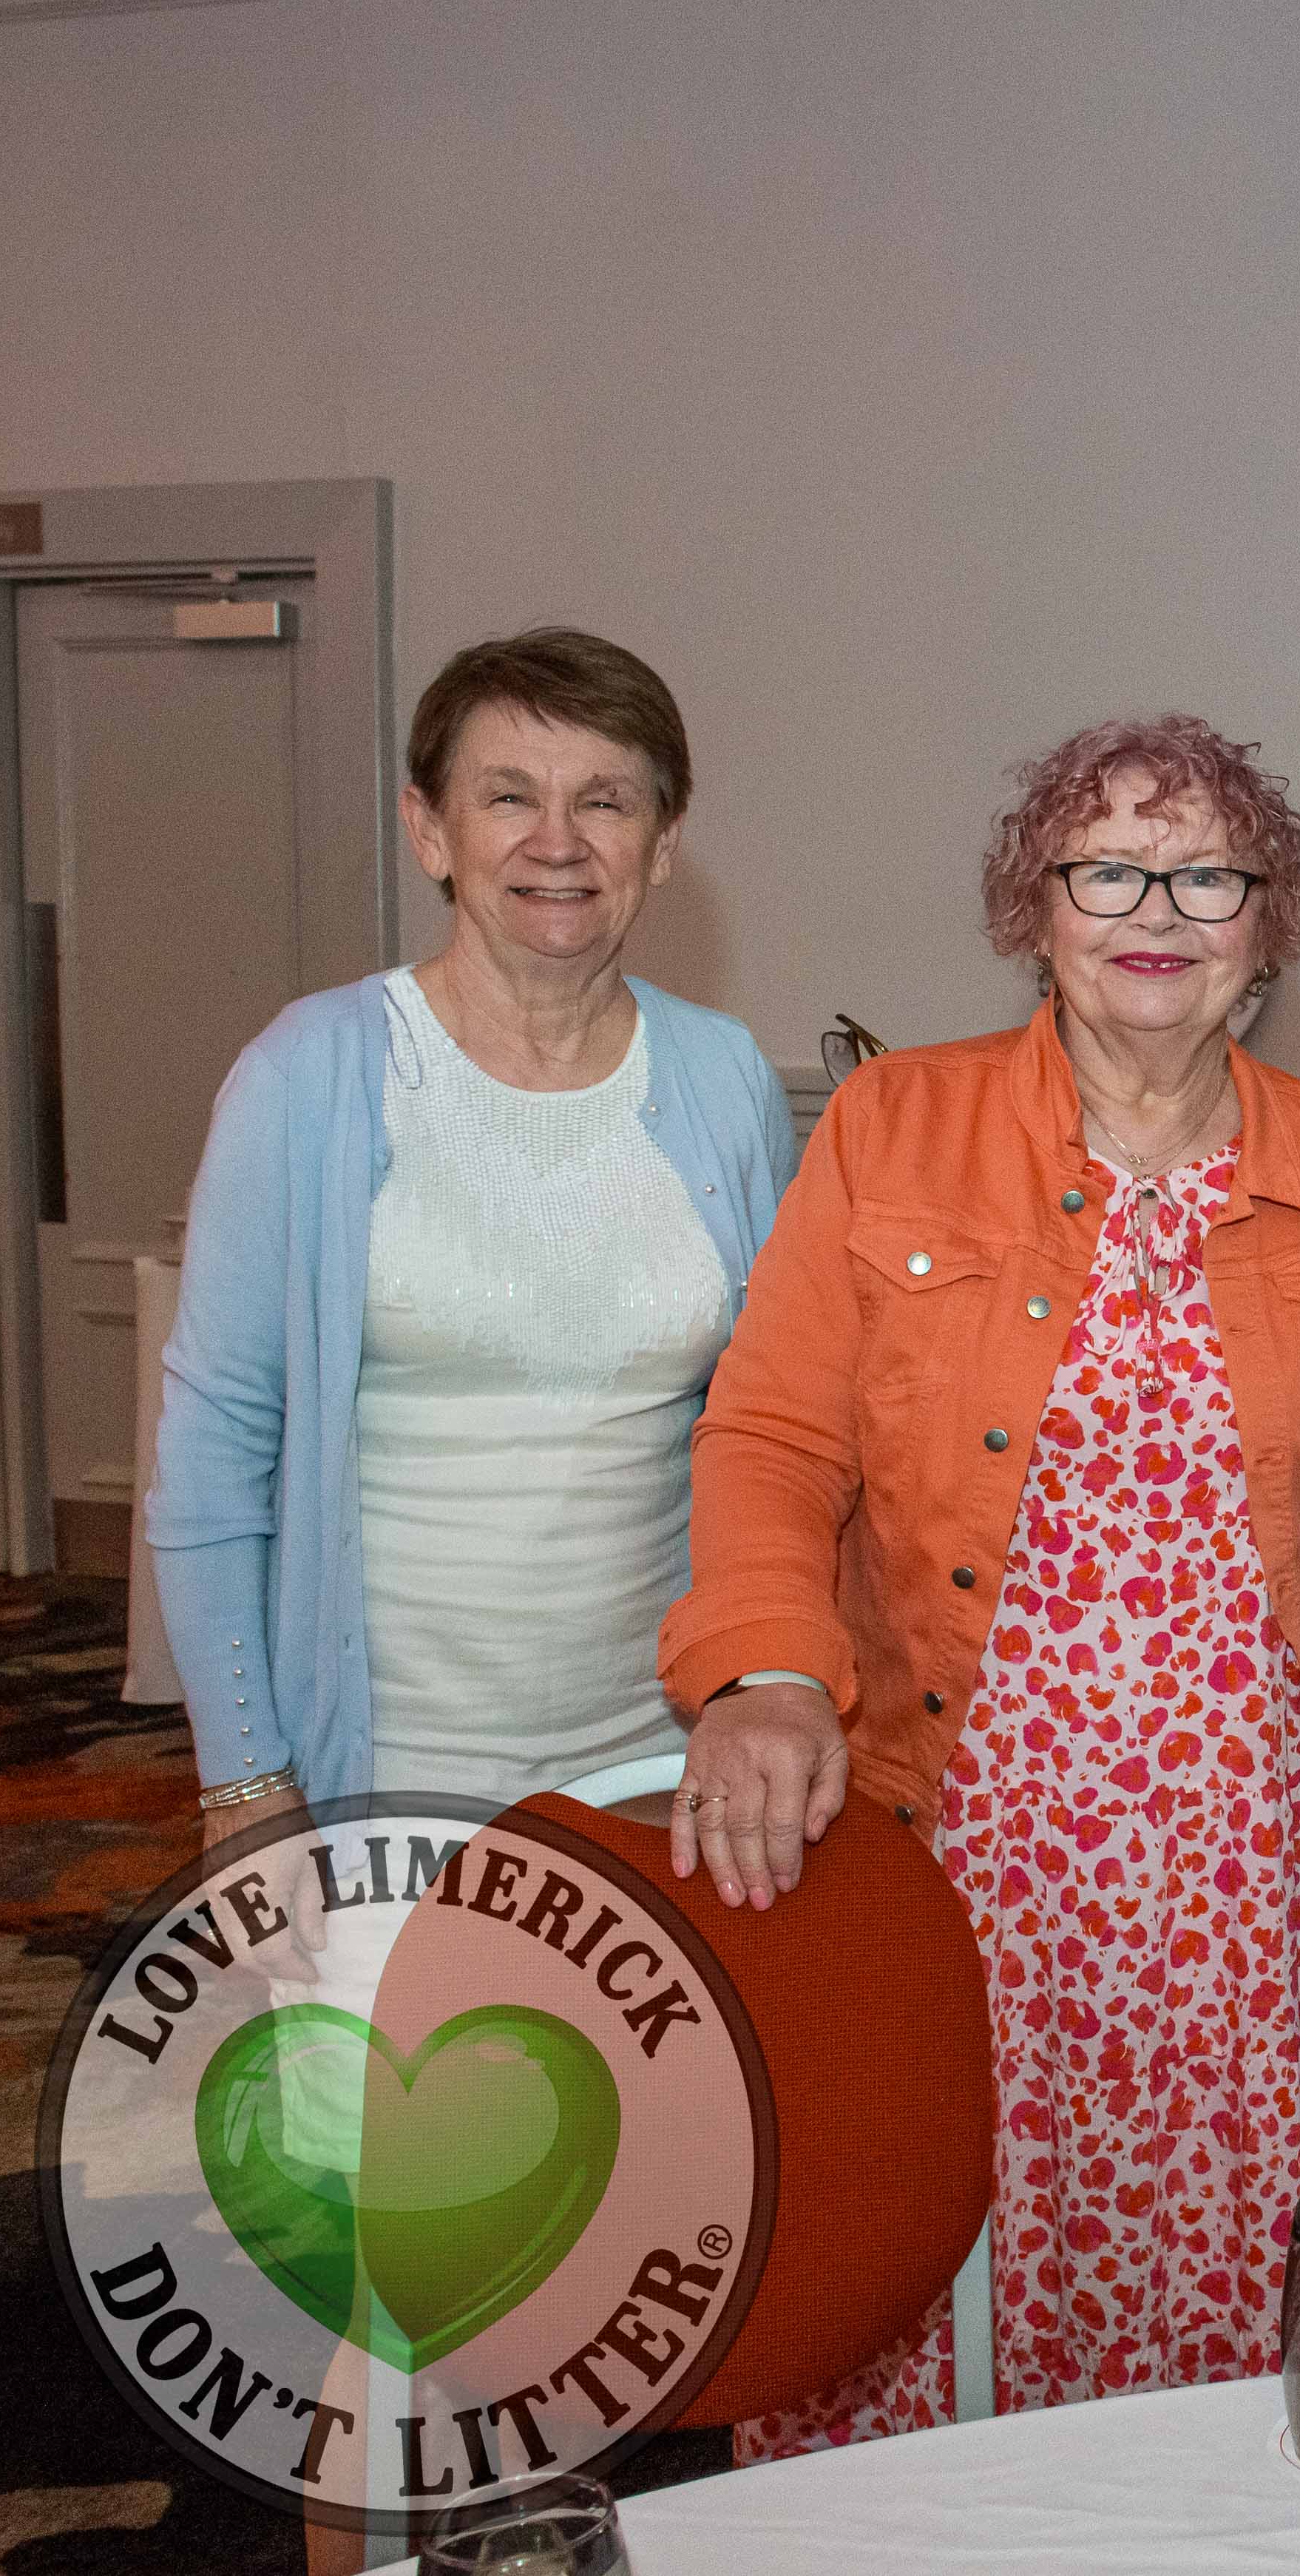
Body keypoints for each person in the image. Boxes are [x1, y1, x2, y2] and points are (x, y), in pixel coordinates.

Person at [661, 714, 1300, 2445]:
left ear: (1269, 923)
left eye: (1206, 875)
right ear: (1038, 904)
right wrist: (766, 1671)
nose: (1157, 911)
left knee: (1219, 2287)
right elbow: (770, 1433)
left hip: (1248, 1857)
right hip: (971, 1831)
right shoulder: (894, 1125)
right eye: (1108, 869)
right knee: (937, 2264)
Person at [152, 626, 793, 1841]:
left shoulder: (724, 1077)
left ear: (663, 843)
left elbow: (775, 1431)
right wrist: (242, 1779)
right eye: (508, 797)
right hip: (376, 1782)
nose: (557, 841)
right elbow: (213, 1458)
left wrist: (764, 1682)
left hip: (658, 1773)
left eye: (605, 800)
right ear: (430, 831)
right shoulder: (308, 1075)